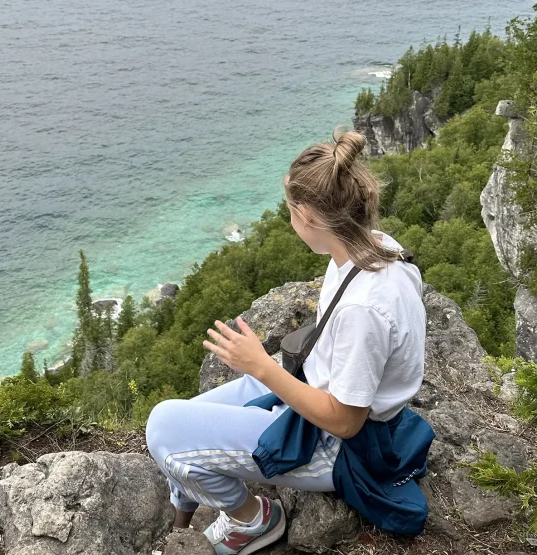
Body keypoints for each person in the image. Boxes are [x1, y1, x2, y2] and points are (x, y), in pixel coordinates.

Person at [146, 130, 427, 555]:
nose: (289, 220)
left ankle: (254, 520)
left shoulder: (363, 308)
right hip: (314, 388)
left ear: (309, 216)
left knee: (163, 429)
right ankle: (184, 515)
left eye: (291, 211)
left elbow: (345, 422)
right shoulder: (379, 247)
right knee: (174, 421)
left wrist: (262, 367)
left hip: (342, 444)